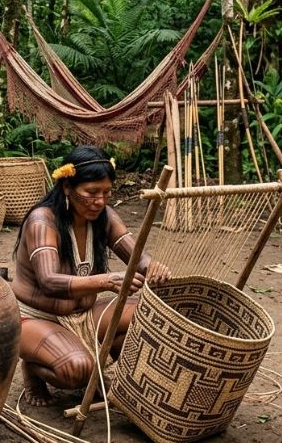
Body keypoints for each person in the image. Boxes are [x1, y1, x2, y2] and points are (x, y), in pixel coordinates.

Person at [11, 145, 171, 407]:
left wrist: (154, 267)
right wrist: (107, 281)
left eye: (106, 193)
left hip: (84, 314)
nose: (100, 201)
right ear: (67, 188)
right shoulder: (43, 221)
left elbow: (137, 258)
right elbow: (49, 280)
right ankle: (33, 368)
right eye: (91, 193)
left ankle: (92, 356)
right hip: (35, 318)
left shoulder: (103, 216)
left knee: (151, 317)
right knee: (76, 369)